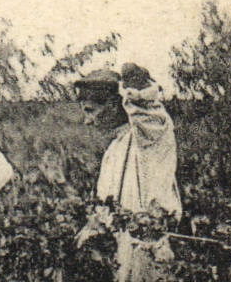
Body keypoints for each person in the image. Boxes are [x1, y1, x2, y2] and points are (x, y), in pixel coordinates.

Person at [74, 64, 182, 217]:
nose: (87, 122)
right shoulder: (113, 149)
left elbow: (146, 111)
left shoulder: (150, 136)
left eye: (90, 110)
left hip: (151, 236)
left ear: (113, 105)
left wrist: (135, 88)